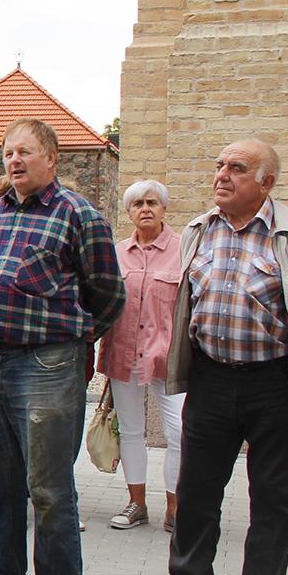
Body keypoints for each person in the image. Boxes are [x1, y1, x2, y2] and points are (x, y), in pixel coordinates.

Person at [0, 118, 125, 575]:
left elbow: (109, 295)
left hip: (46, 365)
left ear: (51, 157)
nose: (14, 161)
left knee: (48, 488)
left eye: (25, 152)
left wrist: (69, 341)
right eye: (8, 153)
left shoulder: (80, 215)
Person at [149, 140, 288, 575]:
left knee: (274, 496)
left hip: (276, 382)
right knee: (198, 487)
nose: (222, 175)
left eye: (237, 168)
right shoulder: (198, 230)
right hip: (211, 378)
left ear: (266, 183)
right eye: (219, 165)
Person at [96, 180, 185, 532]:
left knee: (180, 432)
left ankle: (175, 507)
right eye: (137, 204)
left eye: (152, 202)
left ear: (164, 208)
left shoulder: (184, 249)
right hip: (123, 352)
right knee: (131, 431)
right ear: (129, 212)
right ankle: (137, 502)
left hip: (168, 356)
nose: (145, 209)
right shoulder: (116, 252)